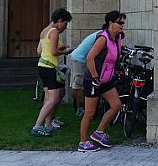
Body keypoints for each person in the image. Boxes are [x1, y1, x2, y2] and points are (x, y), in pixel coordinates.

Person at [77, 10, 125, 152]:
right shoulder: (103, 38)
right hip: (94, 80)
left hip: (107, 79)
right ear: (111, 23)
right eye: (120, 23)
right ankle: (82, 142)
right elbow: (90, 58)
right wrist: (95, 78)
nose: (122, 25)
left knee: (116, 105)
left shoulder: (118, 38)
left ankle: (99, 132)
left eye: (123, 23)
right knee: (90, 112)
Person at [31, 8, 74, 136]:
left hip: (43, 66)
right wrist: (66, 51)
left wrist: (61, 47)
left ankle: (48, 125)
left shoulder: (45, 31)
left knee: (49, 98)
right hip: (50, 68)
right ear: (59, 20)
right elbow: (54, 52)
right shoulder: (54, 32)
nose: (65, 27)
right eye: (65, 24)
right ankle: (37, 126)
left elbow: (39, 50)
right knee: (53, 99)